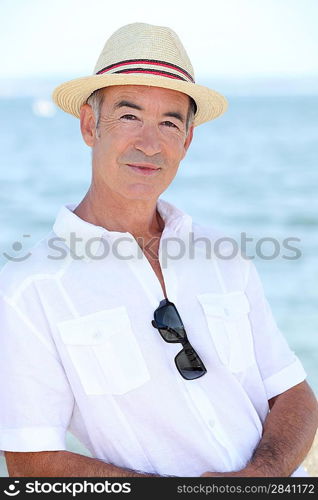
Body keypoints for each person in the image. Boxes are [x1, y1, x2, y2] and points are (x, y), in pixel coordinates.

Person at [1, 22, 317, 478]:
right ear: (91, 125)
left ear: (187, 141)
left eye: (169, 122)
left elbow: (293, 393)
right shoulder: (29, 287)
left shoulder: (224, 255)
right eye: (129, 116)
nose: (150, 144)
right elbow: (31, 461)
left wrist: (258, 480)